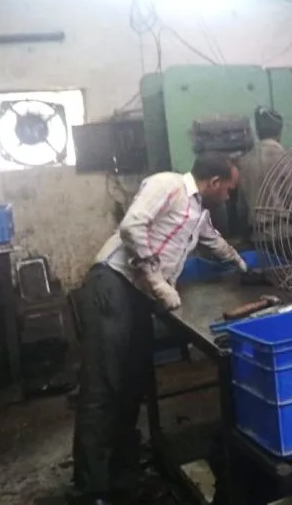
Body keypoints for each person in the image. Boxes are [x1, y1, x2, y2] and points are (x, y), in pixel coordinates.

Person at [72, 151, 247, 505]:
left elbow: (212, 240)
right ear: (214, 183)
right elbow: (132, 226)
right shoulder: (168, 185)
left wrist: (240, 263)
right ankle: (91, 492)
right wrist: (156, 280)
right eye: (228, 190)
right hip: (113, 285)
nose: (229, 197)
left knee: (130, 388)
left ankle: (122, 481)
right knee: (103, 390)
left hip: (138, 297)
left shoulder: (199, 212)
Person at [236, 107, 292, 243]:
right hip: (285, 236)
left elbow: (241, 207)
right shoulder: (285, 158)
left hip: (257, 237)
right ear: (279, 131)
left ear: (257, 132)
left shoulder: (245, 161)